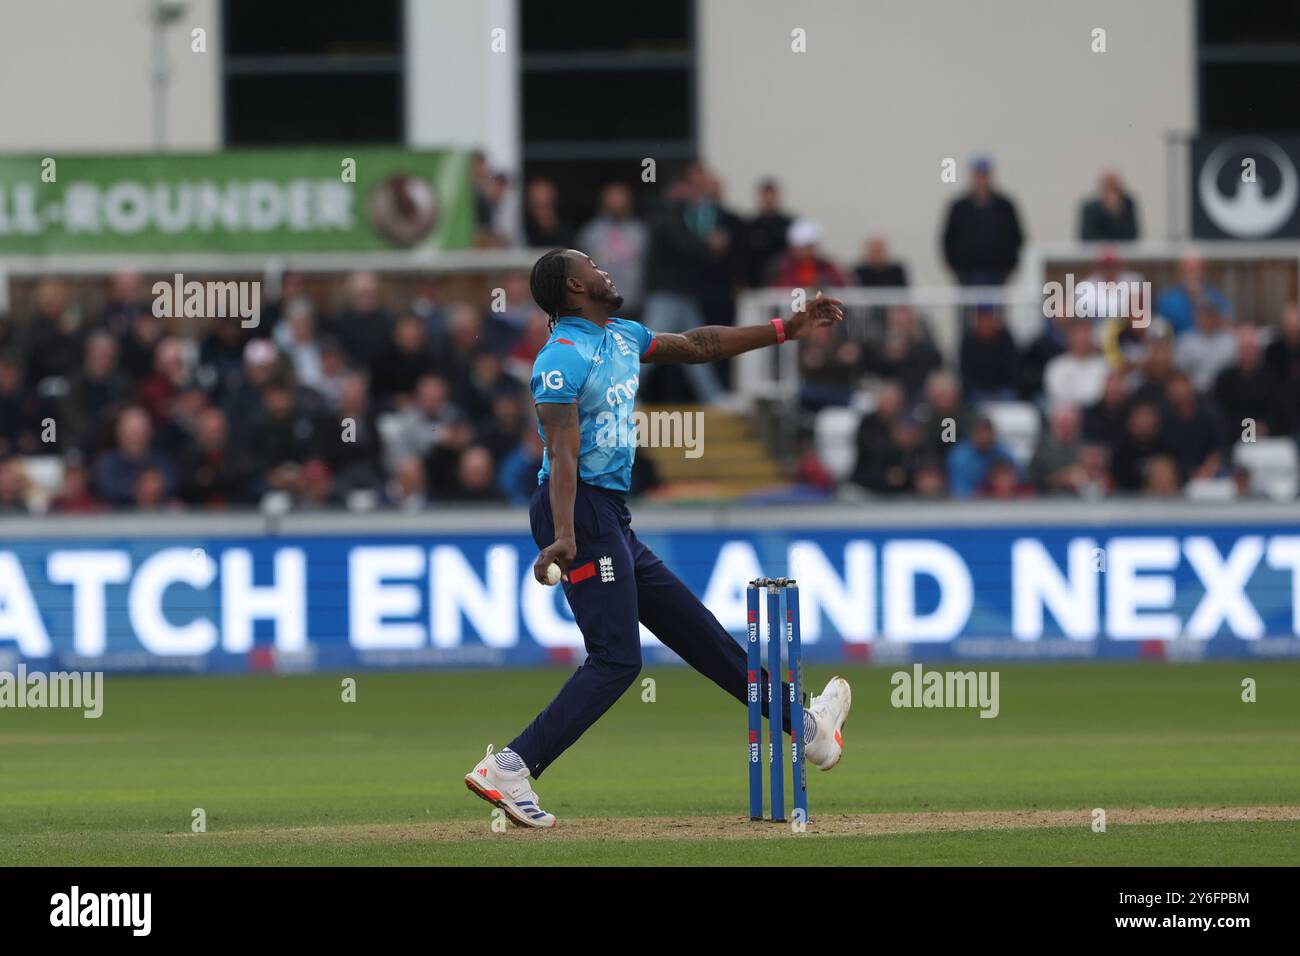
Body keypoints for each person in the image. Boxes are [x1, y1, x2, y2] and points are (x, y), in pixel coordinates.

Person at [463, 248, 853, 828]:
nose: (605, 269)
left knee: (701, 637)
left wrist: (784, 329)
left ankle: (809, 730)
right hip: (578, 512)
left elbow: (700, 346)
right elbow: (562, 452)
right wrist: (566, 533)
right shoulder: (559, 359)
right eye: (591, 264)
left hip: (608, 516)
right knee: (617, 658)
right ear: (574, 286)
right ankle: (510, 767)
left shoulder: (622, 335)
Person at [941, 156, 1024, 285]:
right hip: (967, 275)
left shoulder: (1004, 206)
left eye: (984, 175)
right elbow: (948, 239)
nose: (981, 179)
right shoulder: (959, 207)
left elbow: (1016, 237)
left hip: (998, 274)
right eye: (977, 175)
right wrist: (957, 268)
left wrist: (1009, 267)